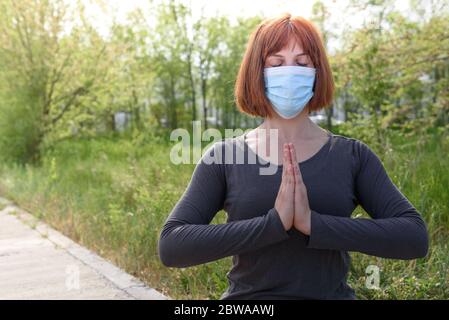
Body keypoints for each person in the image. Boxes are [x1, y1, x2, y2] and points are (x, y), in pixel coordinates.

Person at [158, 13, 429, 300]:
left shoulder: (352, 156)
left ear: (317, 72)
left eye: (302, 63)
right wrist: (273, 224)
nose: (290, 72)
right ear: (257, 73)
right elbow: (173, 246)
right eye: (276, 63)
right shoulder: (224, 157)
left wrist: (314, 224)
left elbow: (413, 237)